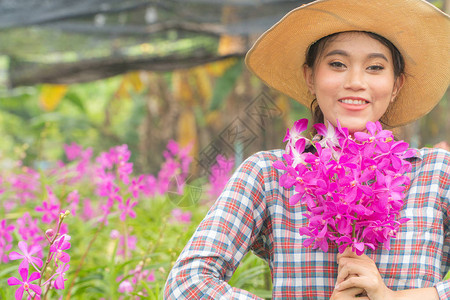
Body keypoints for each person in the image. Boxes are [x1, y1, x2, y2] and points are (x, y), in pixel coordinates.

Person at [164, 0, 450, 298]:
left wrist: (395, 297)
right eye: (337, 64)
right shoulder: (268, 175)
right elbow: (184, 284)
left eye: (375, 67)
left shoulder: (436, 173)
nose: (355, 82)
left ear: (396, 86)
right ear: (310, 77)